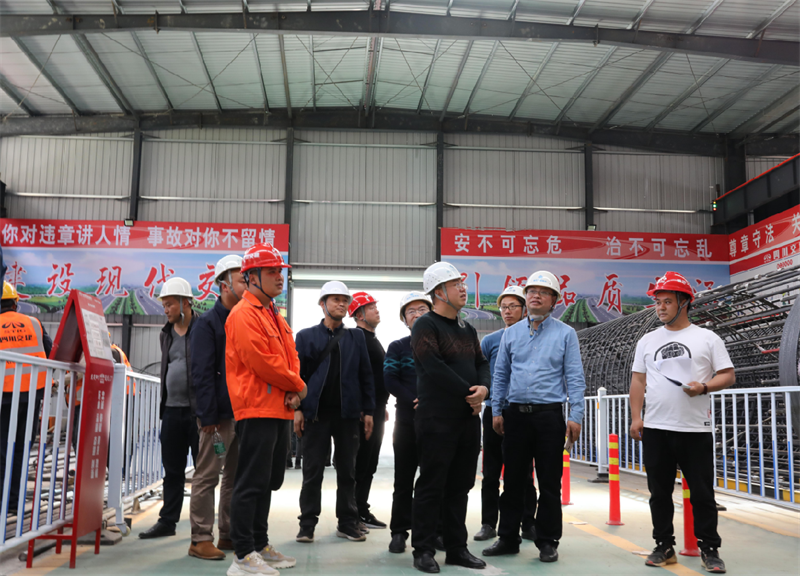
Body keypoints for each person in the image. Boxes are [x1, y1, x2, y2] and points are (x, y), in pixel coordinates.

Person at [630, 272, 735, 574]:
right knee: (659, 492)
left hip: (694, 428)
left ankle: (709, 548)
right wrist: (636, 417)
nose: (660, 308)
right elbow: (638, 380)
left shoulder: (707, 338)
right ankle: (664, 545)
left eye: (667, 302)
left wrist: (704, 387)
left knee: (702, 493)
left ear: (684, 302)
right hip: (656, 428)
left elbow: (728, 375)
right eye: (658, 302)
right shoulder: (648, 340)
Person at [487, 271, 585, 564]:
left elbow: (574, 377)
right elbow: (501, 374)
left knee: (549, 482)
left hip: (548, 418)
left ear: (554, 300)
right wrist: (497, 409)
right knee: (513, 480)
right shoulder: (511, 333)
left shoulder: (566, 334)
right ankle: (508, 537)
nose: (536, 296)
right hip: (515, 416)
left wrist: (576, 414)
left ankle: (548, 541)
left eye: (543, 292)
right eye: (531, 291)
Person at [225, 243, 308, 576]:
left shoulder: (273, 313)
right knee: (250, 482)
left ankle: (259, 545)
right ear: (252, 277)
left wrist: (293, 389)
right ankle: (243, 555)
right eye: (272, 271)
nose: (279, 277)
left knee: (268, 481)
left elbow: (291, 356)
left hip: (278, 408)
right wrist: (297, 386)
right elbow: (261, 361)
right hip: (256, 408)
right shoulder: (243, 314)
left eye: (280, 271)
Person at [411, 262, 490, 574]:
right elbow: (434, 366)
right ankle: (423, 549)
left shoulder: (466, 329)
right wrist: (470, 395)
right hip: (437, 418)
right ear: (439, 292)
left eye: (462, 283)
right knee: (431, 484)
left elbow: (481, 362)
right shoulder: (425, 326)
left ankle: (457, 548)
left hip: (467, 419)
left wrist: (484, 389)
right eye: (456, 284)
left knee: (461, 485)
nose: (463, 288)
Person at [294, 281, 375, 543]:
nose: (341, 304)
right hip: (315, 415)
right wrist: (297, 410)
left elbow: (366, 375)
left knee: (348, 472)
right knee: (312, 472)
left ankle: (348, 522)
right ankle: (307, 524)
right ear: (322, 303)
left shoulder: (356, 337)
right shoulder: (305, 336)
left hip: (347, 415)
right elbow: (297, 377)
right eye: (335, 299)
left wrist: (368, 410)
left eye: (344, 300)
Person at [187, 255, 246, 561]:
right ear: (224, 286)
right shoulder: (207, 324)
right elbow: (202, 373)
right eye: (242, 280)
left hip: (241, 413)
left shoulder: (245, 321)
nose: (248, 285)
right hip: (217, 417)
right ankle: (200, 538)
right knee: (208, 476)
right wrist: (208, 415)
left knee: (234, 477)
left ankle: (228, 533)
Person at [474, 285, 537, 543]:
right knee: (491, 471)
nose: (507, 311)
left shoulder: (534, 338)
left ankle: (528, 523)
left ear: (524, 310)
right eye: (503, 307)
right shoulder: (490, 341)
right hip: (494, 410)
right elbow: (481, 372)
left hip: (521, 412)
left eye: (513, 306)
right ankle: (489, 523)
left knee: (524, 472)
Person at [140, 277, 200, 539]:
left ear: (185, 303)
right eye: (163, 305)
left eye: (169, 304)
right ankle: (167, 522)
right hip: (172, 412)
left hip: (199, 414)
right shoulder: (165, 334)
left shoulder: (203, 329)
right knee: (172, 471)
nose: (165, 310)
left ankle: (202, 526)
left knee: (204, 473)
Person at [384, 291, 431, 554]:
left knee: (432, 480)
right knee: (403, 479)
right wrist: (414, 399)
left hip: (436, 422)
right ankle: (399, 532)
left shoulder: (442, 345)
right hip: (406, 422)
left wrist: (430, 400)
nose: (417, 314)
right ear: (404, 319)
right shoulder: (398, 346)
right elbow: (390, 379)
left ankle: (432, 531)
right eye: (411, 311)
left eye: (422, 309)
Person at [0, 282, 51, 513]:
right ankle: (13, 503)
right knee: (21, 448)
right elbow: (51, 352)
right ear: (15, 303)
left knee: (2, 449)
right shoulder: (34, 323)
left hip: (3, 396)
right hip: (31, 395)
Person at [350, 291, 389, 530]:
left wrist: (381, 406)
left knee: (370, 464)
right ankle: (353, 514)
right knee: (361, 464)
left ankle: (361, 509)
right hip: (366, 414)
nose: (377, 310)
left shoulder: (372, 338)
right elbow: (358, 377)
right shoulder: (357, 338)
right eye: (371, 307)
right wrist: (366, 410)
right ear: (359, 315)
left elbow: (376, 376)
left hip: (376, 410)